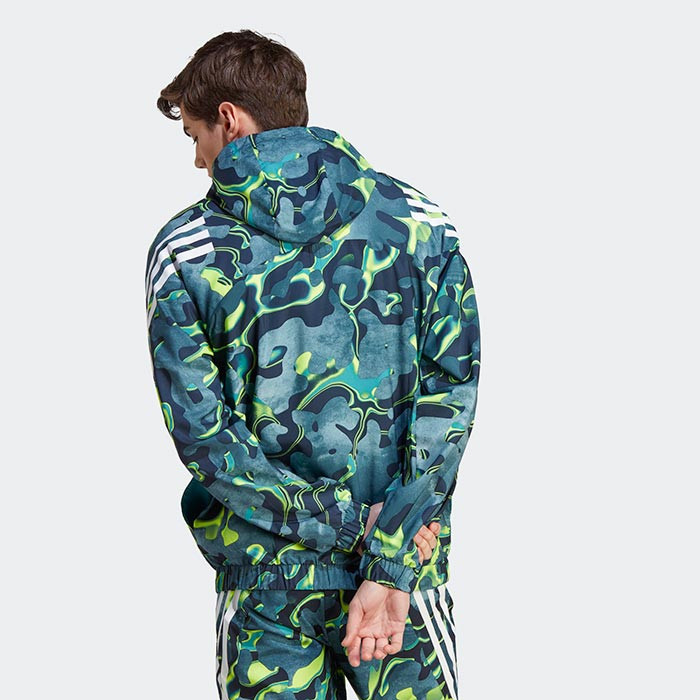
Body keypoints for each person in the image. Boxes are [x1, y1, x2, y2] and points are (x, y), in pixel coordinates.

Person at [146, 29, 480, 700]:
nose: (197, 160)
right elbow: (449, 400)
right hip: (399, 582)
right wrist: (387, 549)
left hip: (268, 585)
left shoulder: (186, 249)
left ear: (230, 120)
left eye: (194, 136)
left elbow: (207, 440)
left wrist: (348, 527)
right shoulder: (422, 224)